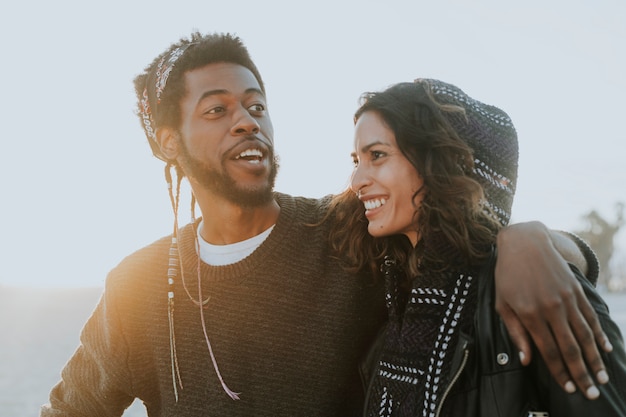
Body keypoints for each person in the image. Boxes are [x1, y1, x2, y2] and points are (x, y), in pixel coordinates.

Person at [40, 32, 611, 416]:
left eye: (256, 105)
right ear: (170, 142)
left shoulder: (344, 234)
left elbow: (456, 237)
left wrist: (529, 239)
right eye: (216, 110)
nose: (246, 122)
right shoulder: (136, 287)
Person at [330, 78, 626, 415]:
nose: (356, 182)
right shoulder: (392, 302)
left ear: (442, 161)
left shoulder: (534, 293)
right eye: (356, 161)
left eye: (377, 155)